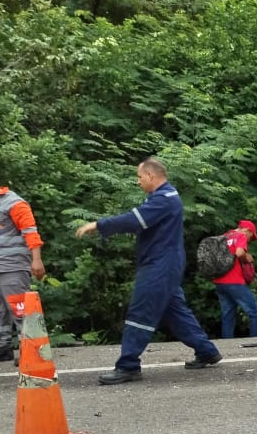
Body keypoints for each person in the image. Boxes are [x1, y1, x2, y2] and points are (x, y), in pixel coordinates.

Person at [75, 157, 222, 384]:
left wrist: (99, 225)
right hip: (165, 263)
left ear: (150, 175)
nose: (138, 181)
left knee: (140, 312)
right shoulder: (165, 196)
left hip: (159, 265)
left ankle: (128, 366)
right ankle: (206, 351)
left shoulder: (164, 199)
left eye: (140, 176)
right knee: (174, 311)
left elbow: (134, 220)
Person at [0, 169, 46, 364]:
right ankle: (2, 347)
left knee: (21, 309)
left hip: (11, 267)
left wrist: (36, 260)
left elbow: (30, 232)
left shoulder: (14, 203)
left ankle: (34, 351)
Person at [213, 220, 257, 338]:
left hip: (220, 282)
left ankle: (227, 343)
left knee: (228, 315)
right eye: (251, 236)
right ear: (247, 231)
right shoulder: (241, 236)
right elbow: (240, 253)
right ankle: (256, 341)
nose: (250, 240)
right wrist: (247, 258)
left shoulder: (224, 236)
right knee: (255, 312)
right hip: (235, 282)